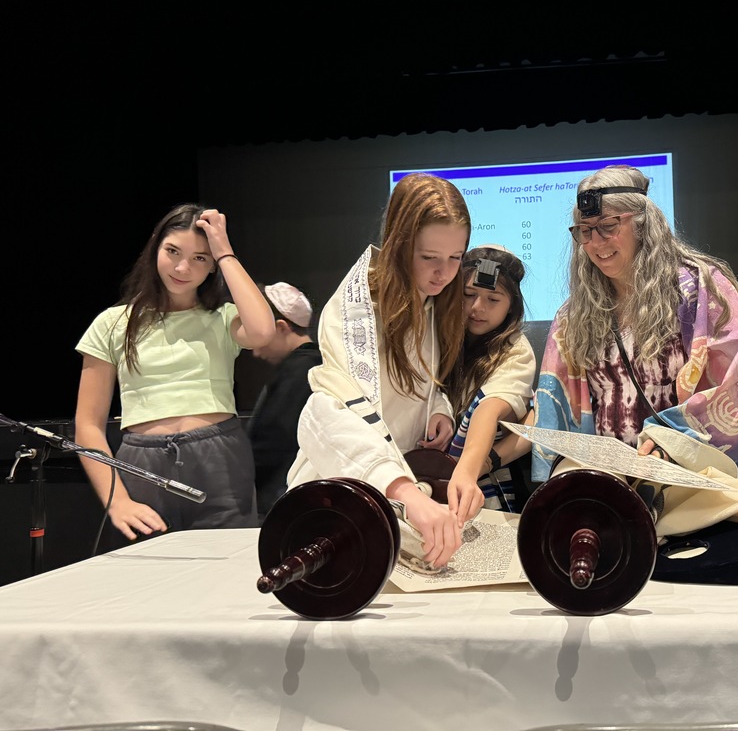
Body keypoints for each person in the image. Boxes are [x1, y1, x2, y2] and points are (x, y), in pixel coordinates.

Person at [531, 164, 738, 485]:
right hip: (611, 483)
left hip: (685, 474)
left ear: (643, 224)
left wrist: (673, 442)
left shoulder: (699, 290)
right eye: (585, 231)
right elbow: (555, 404)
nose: (596, 243)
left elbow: (737, 377)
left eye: (608, 226)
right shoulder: (574, 315)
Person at [286, 173, 470, 570]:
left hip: (400, 493)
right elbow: (332, 413)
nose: (444, 272)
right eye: (430, 257)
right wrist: (407, 493)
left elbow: (417, 379)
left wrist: (438, 407)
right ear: (400, 244)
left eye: (456, 257)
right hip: (342, 491)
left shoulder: (427, 299)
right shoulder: (355, 312)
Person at [74, 204, 276, 544]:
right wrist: (117, 501)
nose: (183, 268)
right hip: (141, 463)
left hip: (219, 457)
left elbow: (262, 331)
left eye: (200, 258)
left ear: (212, 265)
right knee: (149, 569)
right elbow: (88, 425)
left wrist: (225, 251)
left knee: (226, 564)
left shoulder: (223, 317)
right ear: (155, 248)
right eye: (172, 251)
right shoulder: (112, 323)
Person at [444, 245, 536, 520]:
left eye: (493, 299)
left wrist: (467, 470)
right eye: (468, 294)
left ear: (511, 306)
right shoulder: (438, 335)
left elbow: (489, 407)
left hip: (482, 477)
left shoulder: (515, 350)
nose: (477, 307)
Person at [247, 281, 323, 523]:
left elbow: (274, 442)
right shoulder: (316, 365)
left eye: (258, 334)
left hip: (283, 498)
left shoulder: (300, 371)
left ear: (281, 327)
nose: (255, 351)